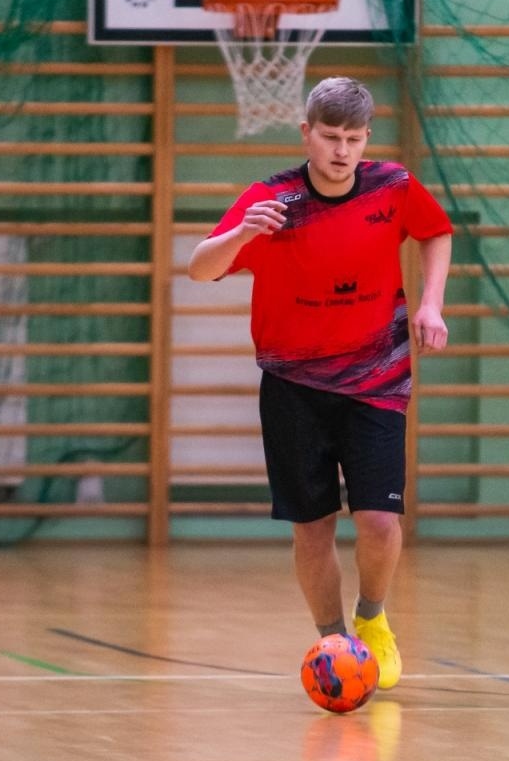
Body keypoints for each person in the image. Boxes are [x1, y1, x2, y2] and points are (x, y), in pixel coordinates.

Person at [188, 76, 453, 689]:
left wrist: (431, 303)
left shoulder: (394, 186)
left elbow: (435, 232)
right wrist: (242, 233)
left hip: (376, 379)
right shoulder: (272, 201)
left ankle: (373, 619)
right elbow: (201, 269)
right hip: (293, 386)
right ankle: (334, 640)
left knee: (381, 521)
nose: (341, 150)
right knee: (312, 526)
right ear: (307, 133)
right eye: (330, 137)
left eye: (353, 139)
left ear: (366, 139)